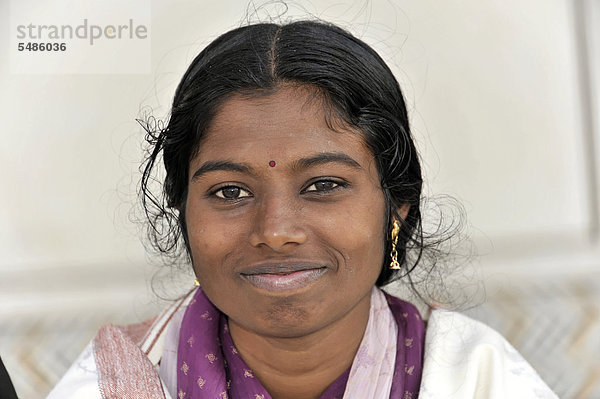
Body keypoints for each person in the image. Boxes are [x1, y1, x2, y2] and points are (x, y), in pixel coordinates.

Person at [48, 20, 557, 399]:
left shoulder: (473, 379)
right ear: (183, 214)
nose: (275, 232)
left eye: (323, 185)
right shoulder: (113, 385)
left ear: (396, 210)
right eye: (230, 192)